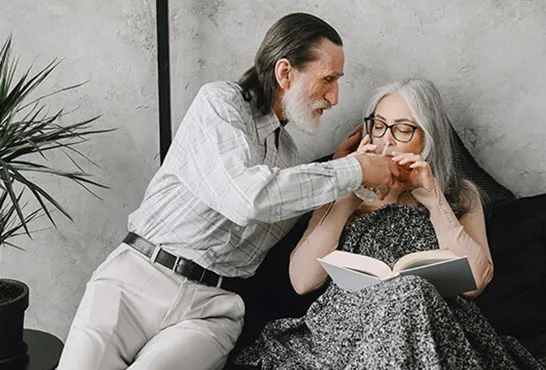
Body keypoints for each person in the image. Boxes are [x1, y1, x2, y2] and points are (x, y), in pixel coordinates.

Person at [57, 13, 400, 370]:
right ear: (285, 73)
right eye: (328, 79)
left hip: (211, 311)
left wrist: (344, 175)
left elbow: (289, 206)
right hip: (136, 281)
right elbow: (248, 198)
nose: (335, 97)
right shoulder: (221, 103)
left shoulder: (289, 158)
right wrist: (353, 169)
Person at [235, 79, 545, 369]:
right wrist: (349, 195)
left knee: (409, 292)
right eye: (380, 126)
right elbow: (302, 280)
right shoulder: (341, 189)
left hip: (433, 324)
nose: (387, 140)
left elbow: (477, 281)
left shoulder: (458, 195)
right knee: (403, 294)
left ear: (427, 137)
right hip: (352, 328)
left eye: (403, 130)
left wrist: (433, 198)